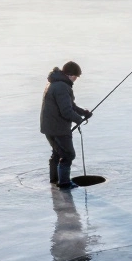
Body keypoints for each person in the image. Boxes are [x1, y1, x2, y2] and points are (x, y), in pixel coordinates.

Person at [41, 61, 92, 189]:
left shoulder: (54, 83)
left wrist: (83, 113)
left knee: (57, 153)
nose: (76, 79)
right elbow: (66, 111)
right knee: (68, 155)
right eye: (76, 76)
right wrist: (78, 119)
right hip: (59, 128)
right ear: (70, 74)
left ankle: (54, 180)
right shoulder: (62, 87)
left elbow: (71, 106)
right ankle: (64, 183)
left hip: (49, 127)